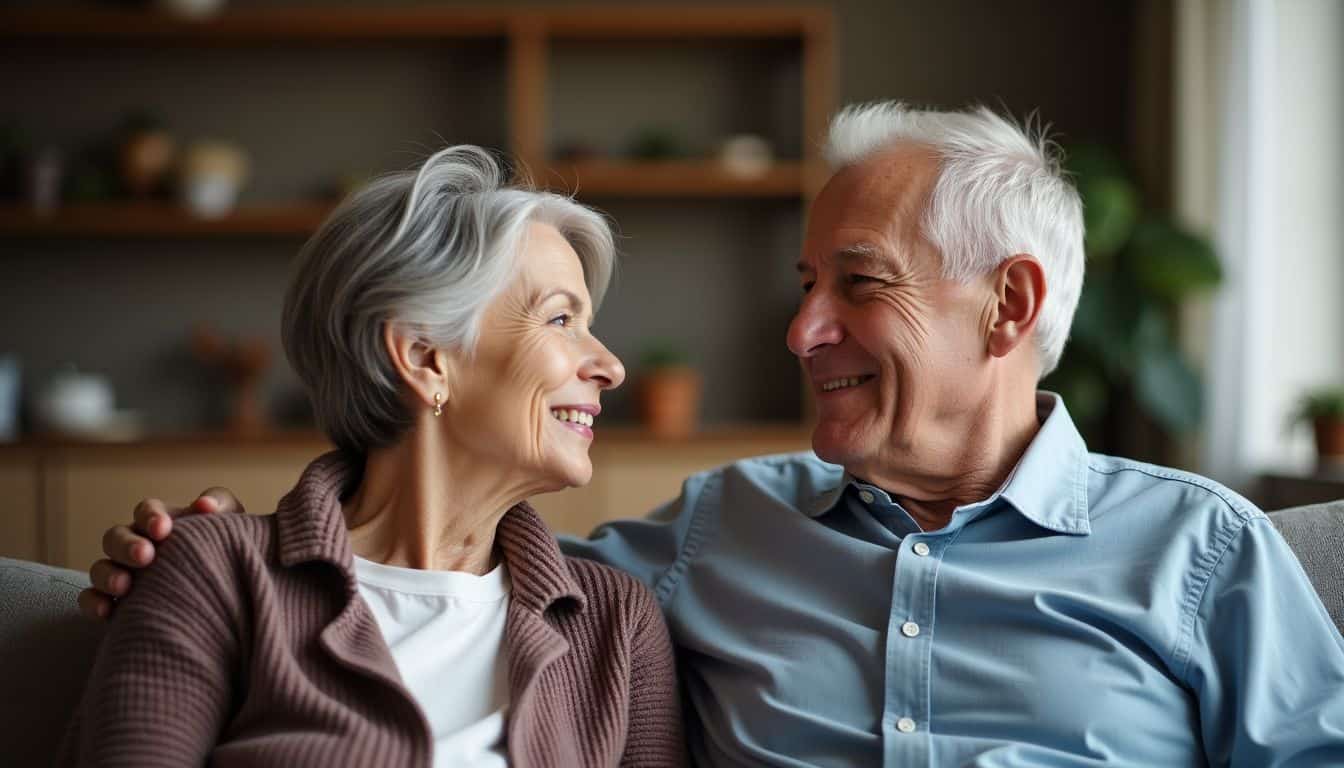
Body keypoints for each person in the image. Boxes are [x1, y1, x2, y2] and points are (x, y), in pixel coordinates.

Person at [83, 104, 1344, 766]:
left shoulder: (1199, 552)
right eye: (805, 284)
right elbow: (450, 561)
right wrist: (205, 561)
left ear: (1007, 305)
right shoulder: (702, 543)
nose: (800, 333)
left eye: (858, 284)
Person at [62, 145, 684, 767]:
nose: (611, 366)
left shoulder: (617, 624)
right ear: (422, 357)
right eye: (559, 320)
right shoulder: (217, 573)